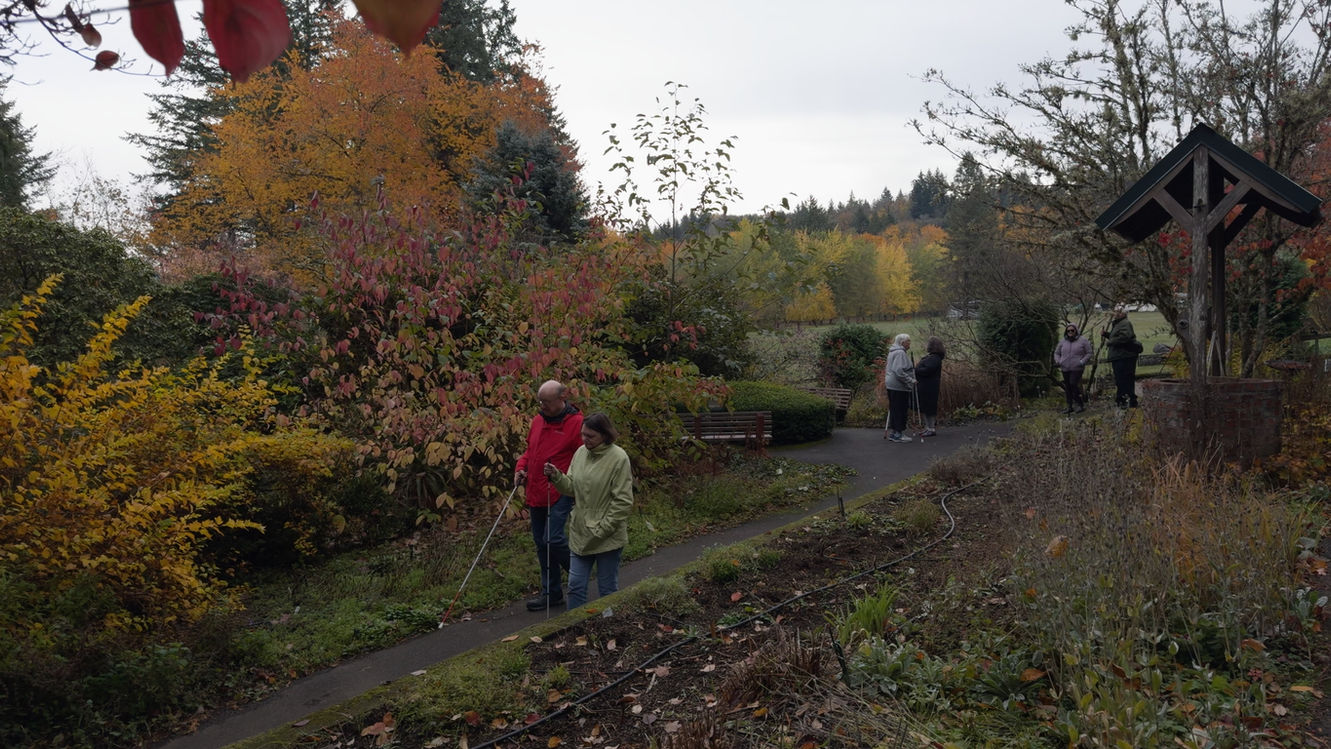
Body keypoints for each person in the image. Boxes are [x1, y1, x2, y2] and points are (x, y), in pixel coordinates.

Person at [543, 412, 634, 610]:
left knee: (607, 589)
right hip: (580, 532)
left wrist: (603, 529)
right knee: (575, 587)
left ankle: (609, 628)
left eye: (590, 436)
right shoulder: (580, 453)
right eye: (583, 435)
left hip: (607, 537)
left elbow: (623, 502)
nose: (585, 439)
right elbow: (571, 487)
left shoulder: (619, 458)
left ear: (604, 435)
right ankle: (575, 630)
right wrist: (557, 476)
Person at [514, 380, 583, 611]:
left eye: (547, 402)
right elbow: (529, 452)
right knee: (541, 544)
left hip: (561, 490)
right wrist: (520, 469)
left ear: (562, 397)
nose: (542, 405)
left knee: (552, 539)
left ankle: (579, 573)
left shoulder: (576, 423)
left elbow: (584, 457)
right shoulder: (538, 421)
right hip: (535, 490)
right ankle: (552, 593)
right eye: (540, 401)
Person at [1101, 305, 1140, 408]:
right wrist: (1106, 334)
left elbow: (1125, 337)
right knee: (1122, 379)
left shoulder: (1125, 323)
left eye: (1118, 312)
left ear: (1123, 313)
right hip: (1121, 356)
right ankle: (1126, 399)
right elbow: (1118, 336)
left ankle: (1125, 400)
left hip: (1124, 356)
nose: (1115, 314)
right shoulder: (1119, 324)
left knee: (1123, 379)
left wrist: (1110, 342)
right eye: (1115, 312)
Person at [883, 333, 916, 443]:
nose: (909, 343)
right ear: (902, 342)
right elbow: (899, 371)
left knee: (895, 408)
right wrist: (911, 380)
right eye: (908, 341)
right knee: (900, 409)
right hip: (898, 386)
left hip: (891, 384)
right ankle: (898, 434)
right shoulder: (900, 353)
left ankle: (894, 433)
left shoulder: (893, 351)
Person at [1053, 323, 1093, 414]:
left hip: (1077, 368)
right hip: (1065, 367)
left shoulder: (1083, 341)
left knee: (1072, 384)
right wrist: (1058, 361)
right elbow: (1056, 353)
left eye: (1072, 330)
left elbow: (1089, 353)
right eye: (1068, 331)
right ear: (1066, 332)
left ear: (1076, 331)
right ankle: (1069, 406)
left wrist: (1082, 362)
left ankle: (1080, 404)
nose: (1070, 332)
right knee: (1068, 387)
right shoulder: (1063, 341)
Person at [914, 336, 945, 437]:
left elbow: (927, 370)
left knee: (929, 408)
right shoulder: (932, 357)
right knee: (925, 407)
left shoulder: (935, 358)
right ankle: (928, 427)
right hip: (926, 386)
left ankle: (931, 428)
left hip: (930, 387)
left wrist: (916, 370)